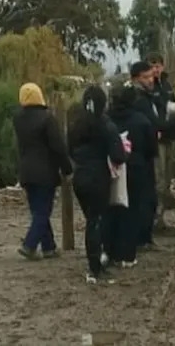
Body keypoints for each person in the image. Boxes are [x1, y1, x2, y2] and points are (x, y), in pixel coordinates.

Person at [68, 85, 127, 283]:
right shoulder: (106, 125)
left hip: (80, 178)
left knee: (91, 220)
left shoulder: (75, 124)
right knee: (96, 222)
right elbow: (118, 156)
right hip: (98, 178)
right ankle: (96, 266)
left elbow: (70, 149)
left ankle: (95, 260)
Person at [128, 61, 175, 249]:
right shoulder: (138, 99)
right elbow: (154, 123)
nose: (150, 80)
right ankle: (145, 234)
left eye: (151, 76)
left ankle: (147, 233)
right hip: (142, 152)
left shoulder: (156, 93)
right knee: (149, 191)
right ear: (136, 79)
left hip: (151, 146)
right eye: (146, 77)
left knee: (155, 189)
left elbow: (165, 112)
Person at [13, 82, 73, 260]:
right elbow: (58, 147)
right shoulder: (47, 118)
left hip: (26, 171)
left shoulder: (18, 118)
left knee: (38, 210)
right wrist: (67, 168)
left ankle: (49, 247)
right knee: (43, 211)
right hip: (45, 172)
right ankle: (29, 245)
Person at [106, 82, 159, 268]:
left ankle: (110, 251)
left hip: (110, 169)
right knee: (132, 210)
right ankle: (128, 254)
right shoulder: (142, 121)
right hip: (136, 170)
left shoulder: (105, 120)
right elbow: (152, 149)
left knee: (111, 210)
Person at [145, 53, 175, 230]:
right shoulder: (148, 89)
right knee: (158, 178)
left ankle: (161, 218)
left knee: (167, 179)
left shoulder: (167, 86)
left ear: (163, 67)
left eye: (158, 65)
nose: (156, 69)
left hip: (169, 138)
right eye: (152, 65)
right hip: (156, 140)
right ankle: (155, 219)